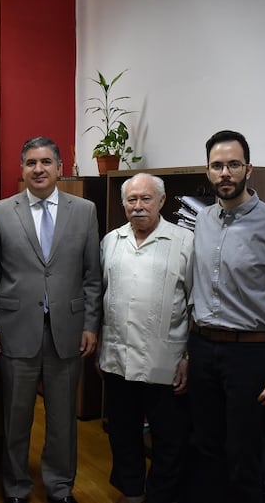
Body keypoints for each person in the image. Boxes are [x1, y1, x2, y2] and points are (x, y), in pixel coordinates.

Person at [187, 130, 265, 503]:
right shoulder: (201, 221)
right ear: (207, 171)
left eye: (233, 165)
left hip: (250, 355)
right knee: (204, 448)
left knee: (243, 457)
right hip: (203, 348)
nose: (225, 173)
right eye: (217, 165)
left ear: (248, 169)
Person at [0, 136, 102, 503]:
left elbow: (92, 276)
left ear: (59, 168)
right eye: (31, 162)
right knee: (16, 418)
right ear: (22, 169)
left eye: (46, 162)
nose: (39, 169)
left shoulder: (84, 210)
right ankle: (16, 487)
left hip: (68, 331)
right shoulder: (0, 211)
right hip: (16, 330)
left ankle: (59, 486)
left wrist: (90, 324)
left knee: (62, 420)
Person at [99, 173, 193, 503]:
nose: (138, 206)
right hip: (117, 357)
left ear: (162, 202)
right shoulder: (111, 241)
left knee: (169, 438)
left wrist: (187, 357)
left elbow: (197, 304)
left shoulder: (185, 242)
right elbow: (103, 294)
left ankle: (160, 496)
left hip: (165, 361)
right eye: (132, 200)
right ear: (124, 203)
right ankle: (133, 492)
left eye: (146, 199)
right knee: (122, 434)